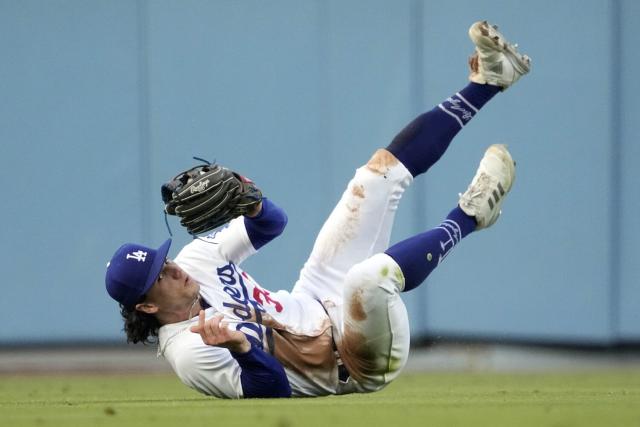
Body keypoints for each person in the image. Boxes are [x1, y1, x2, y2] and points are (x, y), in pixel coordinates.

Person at [105, 21, 530, 398]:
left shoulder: (194, 260)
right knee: (368, 278)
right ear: (146, 307)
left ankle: (490, 81)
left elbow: (273, 224)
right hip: (352, 359)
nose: (172, 268)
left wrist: (250, 200)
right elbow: (270, 391)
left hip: (315, 294)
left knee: (374, 177)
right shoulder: (190, 353)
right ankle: (470, 217)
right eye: (159, 275)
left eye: (163, 260)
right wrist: (241, 348)